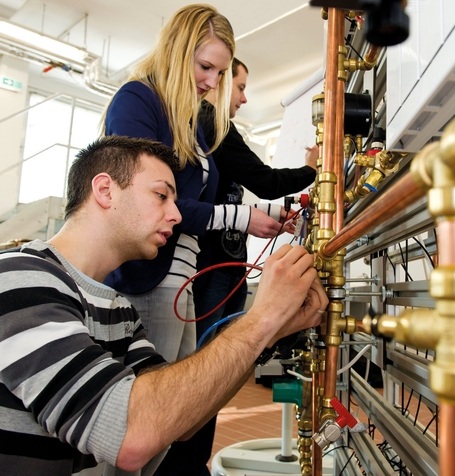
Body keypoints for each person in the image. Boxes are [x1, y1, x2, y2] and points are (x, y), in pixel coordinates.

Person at [0, 135, 327, 476]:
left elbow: (180, 422)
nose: (175, 213)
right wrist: (261, 320)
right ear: (105, 190)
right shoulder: (20, 276)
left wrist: (271, 332)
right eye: (161, 195)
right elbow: (129, 434)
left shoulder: (118, 310)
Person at [101, 4, 292, 367]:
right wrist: (242, 218)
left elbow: (198, 198)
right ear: (176, 50)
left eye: (220, 73)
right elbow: (149, 203)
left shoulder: (188, 120)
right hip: (149, 276)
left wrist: (266, 213)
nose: (212, 82)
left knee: (181, 394)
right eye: (205, 67)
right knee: (159, 401)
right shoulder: (138, 100)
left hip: (181, 274)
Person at [169, 58, 318, 476]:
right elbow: (264, 179)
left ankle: (189, 460)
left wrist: (267, 214)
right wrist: (312, 167)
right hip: (212, 270)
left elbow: (234, 200)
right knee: (207, 371)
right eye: (239, 86)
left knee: (208, 372)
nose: (243, 96)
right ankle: (185, 462)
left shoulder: (209, 131)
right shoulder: (210, 121)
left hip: (221, 267)